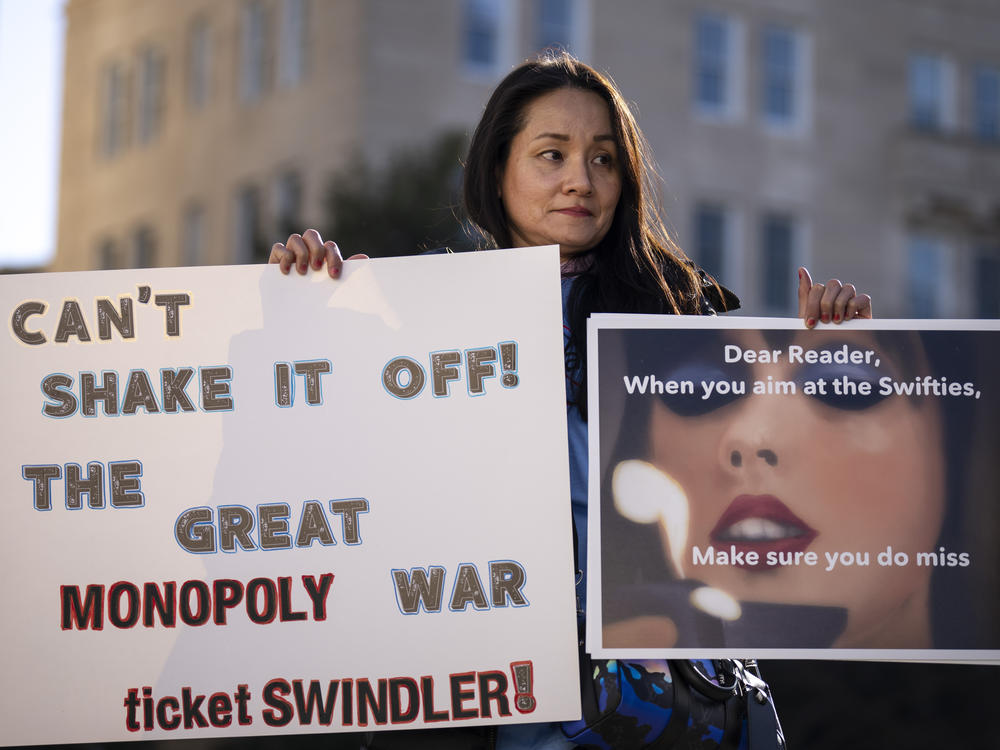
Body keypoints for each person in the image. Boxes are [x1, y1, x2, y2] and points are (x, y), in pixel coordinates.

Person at [269, 51, 872, 749]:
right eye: (550, 155)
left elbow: (788, 501)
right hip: (484, 686)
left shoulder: (686, 316)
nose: (579, 181)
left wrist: (837, 366)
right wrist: (308, 302)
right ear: (498, 170)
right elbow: (332, 476)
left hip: (667, 695)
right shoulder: (419, 309)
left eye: (604, 160)